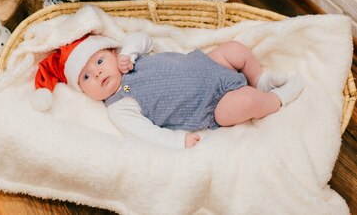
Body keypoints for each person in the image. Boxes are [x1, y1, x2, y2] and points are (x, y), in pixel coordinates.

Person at [33, 32, 304, 149]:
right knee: (245, 102)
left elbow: (143, 38)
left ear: (113, 53)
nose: (99, 73)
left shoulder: (129, 59)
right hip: (213, 104)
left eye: (100, 61)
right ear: (84, 91)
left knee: (235, 49)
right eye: (87, 77)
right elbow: (143, 134)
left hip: (209, 63)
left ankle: (259, 78)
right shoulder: (119, 105)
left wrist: (130, 51)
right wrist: (178, 142)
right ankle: (275, 99)